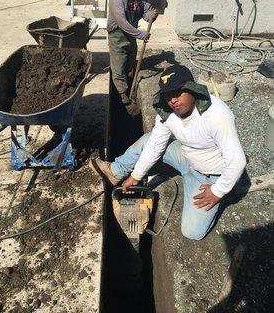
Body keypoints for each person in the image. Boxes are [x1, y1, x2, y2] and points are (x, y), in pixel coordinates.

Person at [90, 64, 246, 240]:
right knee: (148, 140)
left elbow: (237, 161)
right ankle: (115, 171)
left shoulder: (216, 115)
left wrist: (218, 191)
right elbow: (155, 146)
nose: (173, 100)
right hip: (186, 157)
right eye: (168, 96)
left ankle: (225, 191)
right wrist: (135, 176)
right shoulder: (167, 112)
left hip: (210, 175)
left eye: (178, 93)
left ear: (192, 89)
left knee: (192, 232)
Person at [107, 0, 158, 105]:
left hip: (130, 35)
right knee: (119, 65)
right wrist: (141, 34)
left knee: (130, 61)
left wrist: (151, 16)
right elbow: (122, 23)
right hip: (117, 36)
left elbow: (146, 12)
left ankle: (131, 84)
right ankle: (122, 93)